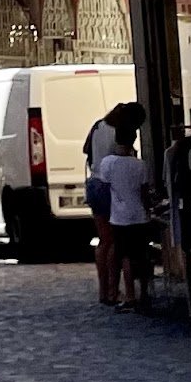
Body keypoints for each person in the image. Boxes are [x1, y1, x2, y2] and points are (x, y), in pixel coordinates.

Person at [94, 104, 156, 310]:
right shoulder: (139, 165)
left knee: (123, 255)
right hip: (139, 215)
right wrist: (149, 208)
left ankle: (122, 293)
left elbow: (104, 184)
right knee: (142, 255)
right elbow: (144, 191)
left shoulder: (108, 163)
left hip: (119, 217)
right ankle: (144, 293)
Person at [84, 101, 124, 307]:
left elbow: (88, 152)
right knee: (114, 241)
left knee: (103, 240)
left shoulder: (98, 126)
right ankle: (112, 291)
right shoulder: (118, 131)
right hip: (108, 185)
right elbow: (121, 156)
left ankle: (103, 290)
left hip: (93, 183)